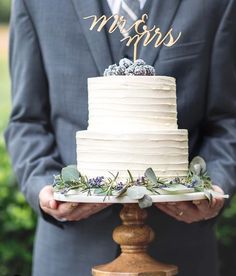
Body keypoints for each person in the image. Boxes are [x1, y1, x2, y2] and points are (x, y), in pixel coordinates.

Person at [5, 0, 236, 275]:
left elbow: (226, 120)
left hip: (181, 250)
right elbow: (26, 121)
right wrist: (44, 186)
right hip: (71, 253)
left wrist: (214, 185)